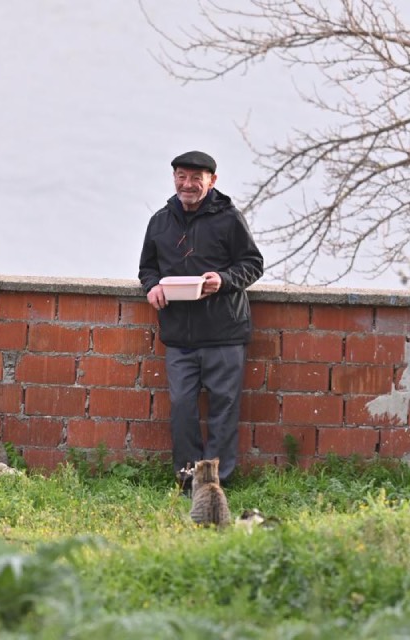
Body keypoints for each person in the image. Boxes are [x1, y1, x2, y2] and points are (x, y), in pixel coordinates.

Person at [138, 150, 264, 488]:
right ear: (174, 178)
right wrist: (152, 288)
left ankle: (214, 481)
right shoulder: (160, 221)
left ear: (212, 181)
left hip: (225, 332)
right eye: (182, 176)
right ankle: (187, 479)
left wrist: (222, 281)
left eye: (196, 178)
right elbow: (147, 268)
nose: (188, 184)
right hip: (179, 335)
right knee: (182, 408)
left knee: (223, 410)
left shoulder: (229, 218)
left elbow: (252, 264)